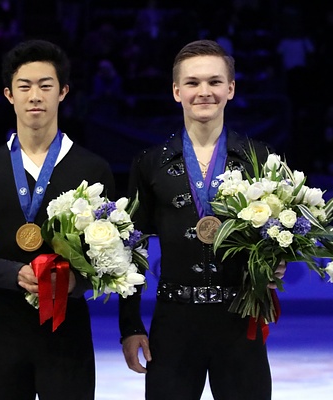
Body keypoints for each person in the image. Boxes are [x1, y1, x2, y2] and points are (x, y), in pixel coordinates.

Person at [119, 39, 284, 399]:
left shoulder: (261, 158)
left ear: (231, 88)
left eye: (214, 81)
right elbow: (130, 250)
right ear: (177, 91)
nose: (204, 92)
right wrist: (130, 325)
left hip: (240, 320)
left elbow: (280, 229)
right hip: (174, 323)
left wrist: (277, 262)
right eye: (192, 83)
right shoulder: (148, 163)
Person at [0, 39, 115, 400]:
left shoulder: (92, 168)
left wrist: (78, 280)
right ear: (9, 95)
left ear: (63, 92)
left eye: (46, 86)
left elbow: (111, 253)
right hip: (3, 327)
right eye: (25, 87)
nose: (35, 96)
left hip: (67, 327)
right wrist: (14, 274)